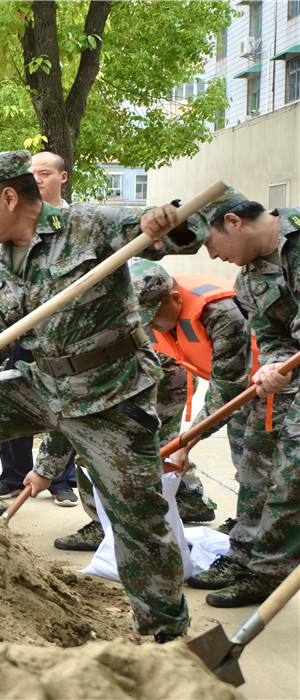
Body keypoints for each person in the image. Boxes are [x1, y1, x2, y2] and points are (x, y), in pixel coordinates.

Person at [0, 150, 196, 643]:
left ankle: (163, 632)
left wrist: (167, 222)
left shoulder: (89, 224)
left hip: (108, 395)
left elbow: (179, 231)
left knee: (138, 515)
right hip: (41, 385)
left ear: (8, 198)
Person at [53, 260, 252, 552]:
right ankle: (240, 526)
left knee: (256, 466)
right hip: (228, 384)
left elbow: (226, 391)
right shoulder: (144, 312)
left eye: (153, 316)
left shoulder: (221, 313)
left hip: (265, 386)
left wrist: (188, 443)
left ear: (174, 298)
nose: (149, 325)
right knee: (241, 464)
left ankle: (251, 549)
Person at [180, 189, 300, 607]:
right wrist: (275, 367)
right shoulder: (247, 280)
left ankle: (265, 569)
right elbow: (274, 340)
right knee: (261, 468)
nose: (212, 257)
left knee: (292, 476)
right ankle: (250, 562)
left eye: (210, 244)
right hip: (291, 386)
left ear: (232, 222)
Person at [0, 151, 78, 513]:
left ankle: (61, 479)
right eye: (31, 173)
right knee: (14, 398)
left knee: (65, 407)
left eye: (46, 172)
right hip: (22, 332)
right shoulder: (15, 222)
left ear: (63, 177)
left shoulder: (77, 223)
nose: (38, 179)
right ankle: (12, 476)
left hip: (66, 336)